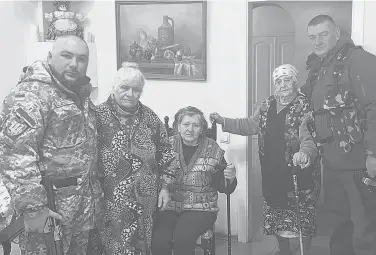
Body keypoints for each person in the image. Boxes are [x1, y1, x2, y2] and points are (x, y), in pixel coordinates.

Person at [302, 15, 376, 255]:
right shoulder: (319, 69)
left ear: (337, 32)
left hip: (360, 162)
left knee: (364, 227)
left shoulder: (361, 61)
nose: (317, 41)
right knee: (338, 223)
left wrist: (375, 154)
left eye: (323, 34)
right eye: (312, 37)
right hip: (333, 162)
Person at [0, 35, 102, 254]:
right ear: (49, 57)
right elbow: (15, 155)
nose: (74, 64)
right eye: (67, 56)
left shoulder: (80, 94)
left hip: (80, 211)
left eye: (81, 59)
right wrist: (34, 208)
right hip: (48, 214)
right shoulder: (30, 95)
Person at [210, 64, 321, 255]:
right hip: (272, 174)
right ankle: (284, 252)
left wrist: (305, 154)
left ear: (295, 83)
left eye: (287, 80)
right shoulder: (267, 104)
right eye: (278, 82)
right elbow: (250, 125)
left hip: (297, 175)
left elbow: (310, 138)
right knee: (278, 223)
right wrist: (223, 121)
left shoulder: (305, 107)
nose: (283, 85)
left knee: (299, 226)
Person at [88, 62, 175, 255]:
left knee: (142, 247)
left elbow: (165, 153)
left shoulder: (150, 118)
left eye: (136, 89)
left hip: (145, 200)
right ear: (114, 87)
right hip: (109, 201)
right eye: (124, 88)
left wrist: (165, 187)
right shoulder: (97, 116)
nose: (130, 94)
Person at [151, 106, 237, 255]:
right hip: (169, 205)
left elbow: (224, 187)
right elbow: (154, 175)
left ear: (202, 129)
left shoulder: (212, 148)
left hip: (201, 208)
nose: (190, 129)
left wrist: (230, 177)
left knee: (183, 238)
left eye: (195, 125)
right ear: (178, 126)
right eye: (185, 124)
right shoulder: (166, 146)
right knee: (158, 239)